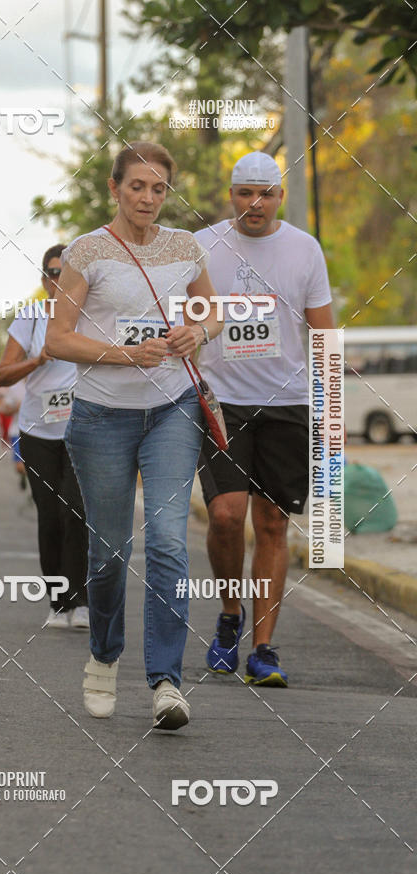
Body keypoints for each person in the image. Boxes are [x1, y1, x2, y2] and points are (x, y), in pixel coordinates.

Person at [45, 141, 223, 730]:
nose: (148, 198)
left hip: (173, 409)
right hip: (101, 417)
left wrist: (196, 335)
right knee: (111, 550)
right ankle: (102, 655)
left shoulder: (186, 247)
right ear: (115, 188)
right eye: (137, 187)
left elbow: (211, 312)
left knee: (170, 540)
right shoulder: (87, 251)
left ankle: (167, 681)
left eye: (158, 188)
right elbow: (59, 340)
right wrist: (126, 355)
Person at [195, 150, 335, 687]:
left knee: (273, 523)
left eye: (266, 193)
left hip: (288, 402)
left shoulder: (304, 249)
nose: (255, 203)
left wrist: (328, 412)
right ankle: (230, 614)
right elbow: (184, 317)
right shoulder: (204, 246)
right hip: (222, 401)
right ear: (231, 195)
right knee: (227, 515)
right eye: (245, 193)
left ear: (281, 196)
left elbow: (322, 334)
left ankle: (264, 648)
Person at [0, 246, 89, 630]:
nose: (59, 280)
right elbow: (2, 375)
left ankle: (80, 601)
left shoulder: (94, 317)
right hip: (38, 432)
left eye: (66, 272)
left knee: (77, 512)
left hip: (83, 432)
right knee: (49, 517)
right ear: (44, 280)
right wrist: (36, 361)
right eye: (52, 273)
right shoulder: (30, 319)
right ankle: (58, 602)